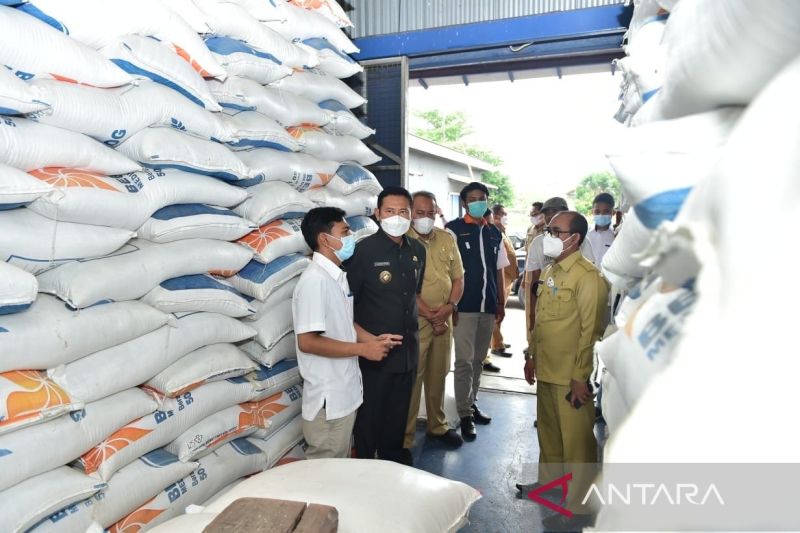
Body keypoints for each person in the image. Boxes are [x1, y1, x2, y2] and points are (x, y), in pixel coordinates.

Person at [517, 211, 609, 531]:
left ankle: (581, 504)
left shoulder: (588, 277)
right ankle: (552, 484)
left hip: (571, 374)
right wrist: (531, 356)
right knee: (550, 434)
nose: (549, 236)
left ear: (575, 239)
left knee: (578, 442)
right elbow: (541, 321)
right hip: (547, 368)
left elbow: (589, 333)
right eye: (548, 230)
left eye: (556, 231)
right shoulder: (552, 270)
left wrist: (580, 377)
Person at [293, 207, 401, 459]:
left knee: (338, 470)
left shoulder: (335, 277)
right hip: (329, 401)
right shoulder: (314, 281)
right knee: (325, 479)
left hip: (344, 395)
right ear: (324, 239)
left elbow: (344, 323)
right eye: (345, 231)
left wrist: (372, 341)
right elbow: (307, 342)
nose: (351, 235)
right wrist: (363, 350)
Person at [345, 186, 426, 466]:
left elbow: (413, 295)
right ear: (378, 213)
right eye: (390, 211)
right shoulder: (363, 251)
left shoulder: (417, 250)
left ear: (411, 215)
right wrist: (365, 342)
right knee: (370, 419)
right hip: (375, 353)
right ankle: (366, 467)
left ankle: (392, 463)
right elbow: (346, 305)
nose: (397, 217)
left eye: (403, 211)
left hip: (407, 352)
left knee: (398, 416)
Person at [446, 182, 510, 441]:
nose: (478, 202)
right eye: (472, 199)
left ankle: (471, 403)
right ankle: (463, 414)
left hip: (488, 307)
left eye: (482, 198)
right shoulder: (452, 231)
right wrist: (451, 304)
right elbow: (447, 272)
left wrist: (501, 303)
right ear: (464, 203)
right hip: (464, 307)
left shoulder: (494, 232)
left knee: (477, 361)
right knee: (463, 361)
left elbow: (499, 270)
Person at [403, 191, 465, 451]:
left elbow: (458, 278)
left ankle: (436, 426)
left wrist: (449, 308)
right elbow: (404, 286)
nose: (426, 218)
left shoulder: (446, 239)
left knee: (439, 374)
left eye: (431, 213)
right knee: (412, 379)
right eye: (419, 213)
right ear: (410, 214)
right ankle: (404, 437)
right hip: (415, 320)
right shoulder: (402, 241)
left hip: (445, 318)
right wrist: (430, 314)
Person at [523, 197, 595, 351]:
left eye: (554, 212)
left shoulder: (581, 241)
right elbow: (535, 283)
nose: (549, 217)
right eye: (546, 213)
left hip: (571, 306)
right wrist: (532, 315)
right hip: (546, 303)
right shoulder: (538, 242)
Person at [489, 203, 518, 358]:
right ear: (496, 216)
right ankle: (496, 344)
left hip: (508, 278)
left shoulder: (502, 231)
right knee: (496, 313)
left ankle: (496, 340)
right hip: (501, 277)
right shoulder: (493, 231)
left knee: (500, 314)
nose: (505, 217)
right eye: (503, 214)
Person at [586, 192, 616, 267]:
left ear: (613, 212)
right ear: (592, 212)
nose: (601, 215)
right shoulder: (585, 234)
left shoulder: (616, 236)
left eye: (606, 211)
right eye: (597, 211)